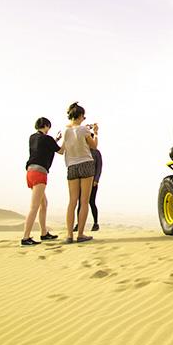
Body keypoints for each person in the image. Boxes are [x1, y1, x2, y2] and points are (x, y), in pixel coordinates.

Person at [21, 117, 63, 246]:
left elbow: (44, 147)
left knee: (43, 203)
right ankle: (25, 237)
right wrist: (65, 140)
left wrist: (55, 140)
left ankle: (44, 233)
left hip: (30, 172)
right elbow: (61, 151)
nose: (49, 129)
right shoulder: (47, 139)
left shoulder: (33, 138)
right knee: (34, 207)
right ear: (46, 126)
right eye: (48, 127)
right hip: (40, 173)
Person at [61, 102, 99, 243]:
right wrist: (95, 132)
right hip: (86, 164)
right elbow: (94, 146)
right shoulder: (83, 130)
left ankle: (69, 235)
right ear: (81, 115)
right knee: (84, 201)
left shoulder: (65, 130)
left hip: (71, 166)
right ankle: (81, 234)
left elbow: (61, 150)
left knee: (72, 201)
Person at [75, 146, 103, 232]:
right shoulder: (81, 150)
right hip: (82, 181)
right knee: (80, 202)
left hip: (93, 181)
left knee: (91, 202)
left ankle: (95, 223)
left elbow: (99, 166)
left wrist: (96, 179)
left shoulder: (96, 152)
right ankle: (79, 223)